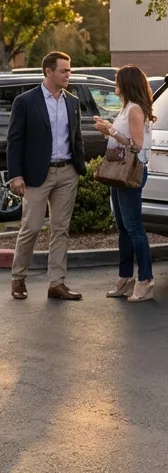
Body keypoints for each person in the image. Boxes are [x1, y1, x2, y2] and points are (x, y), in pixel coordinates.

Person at [6, 52, 86, 301]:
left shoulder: (72, 101)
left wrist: (79, 167)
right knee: (30, 228)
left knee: (61, 229)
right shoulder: (26, 101)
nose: (68, 75)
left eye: (69, 71)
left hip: (67, 172)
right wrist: (16, 175)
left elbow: (77, 137)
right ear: (48, 72)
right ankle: (18, 279)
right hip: (36, 175)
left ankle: (57, 283)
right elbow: (15, 140)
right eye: (64, 71)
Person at [93, 66, 158, 302]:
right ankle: (125, 277)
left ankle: (145, 280)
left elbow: (136, 145)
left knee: (134, 227)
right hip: (118, 173)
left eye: (117, 81)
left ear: (127, 83)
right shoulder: (126, 108)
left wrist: (109, 130)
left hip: (131, 173)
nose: (114, 85)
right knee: (123, 227)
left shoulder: (135, 110)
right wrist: (108, 128)